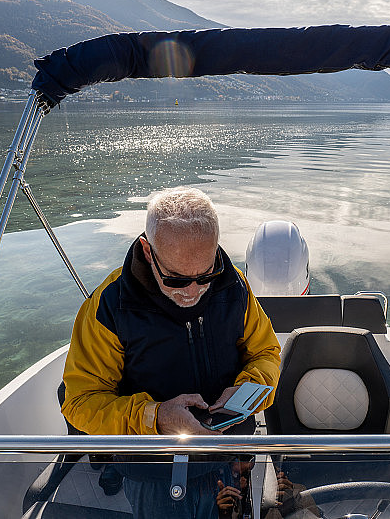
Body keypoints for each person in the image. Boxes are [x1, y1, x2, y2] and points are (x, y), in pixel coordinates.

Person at [61, 186, 281, 518]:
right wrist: (156, 417)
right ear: (148, 252)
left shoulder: (234, 285)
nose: (193, 292)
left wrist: (248, 390)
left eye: (206, 275)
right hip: (154, 475)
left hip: (231, 457)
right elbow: (79, 403)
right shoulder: (108, 307)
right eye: (177, 280)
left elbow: (266, 351)